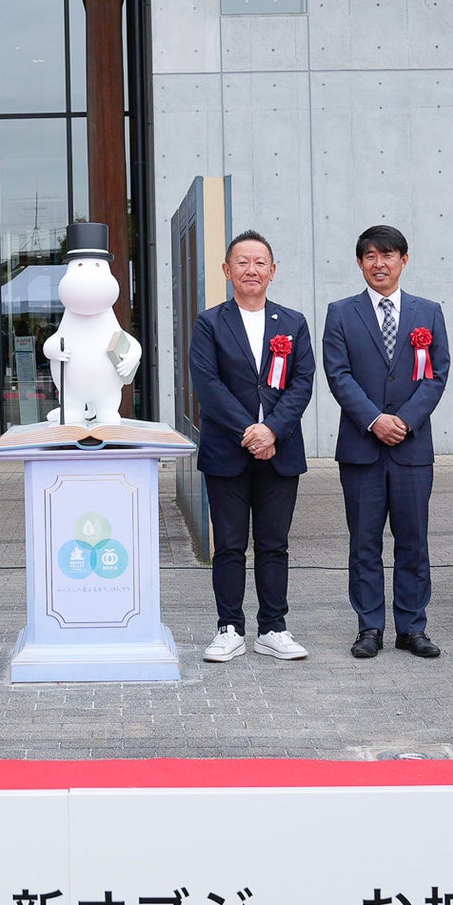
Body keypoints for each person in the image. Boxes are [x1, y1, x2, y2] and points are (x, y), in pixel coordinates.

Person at [322, 225, 451, 660]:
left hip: (412, 449)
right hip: (362, 448)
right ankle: (370, 627)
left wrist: (405, 421)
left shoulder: (428, 311)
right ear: (360, 263)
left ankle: (412, 628)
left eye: (388, 255)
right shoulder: (341, 313)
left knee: (413, 540)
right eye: (371, 256)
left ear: (404, 260)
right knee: (364, 542)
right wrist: (375, 420)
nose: (380, 264)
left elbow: (436, 374)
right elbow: (338, 374)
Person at [189, 231, 316, 663]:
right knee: (228, 545)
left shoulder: (293, 323)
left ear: (272, 271)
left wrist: (272, 431)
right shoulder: (210, 323)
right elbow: (208, 385)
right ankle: (229, 628)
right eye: (242, 262)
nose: (251, 270)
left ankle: (273, 628)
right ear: (227, 270)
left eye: (260, 262)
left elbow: (302, 382)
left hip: (281, 451)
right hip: (227, 451)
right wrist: (251, 432)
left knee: (273, 544)